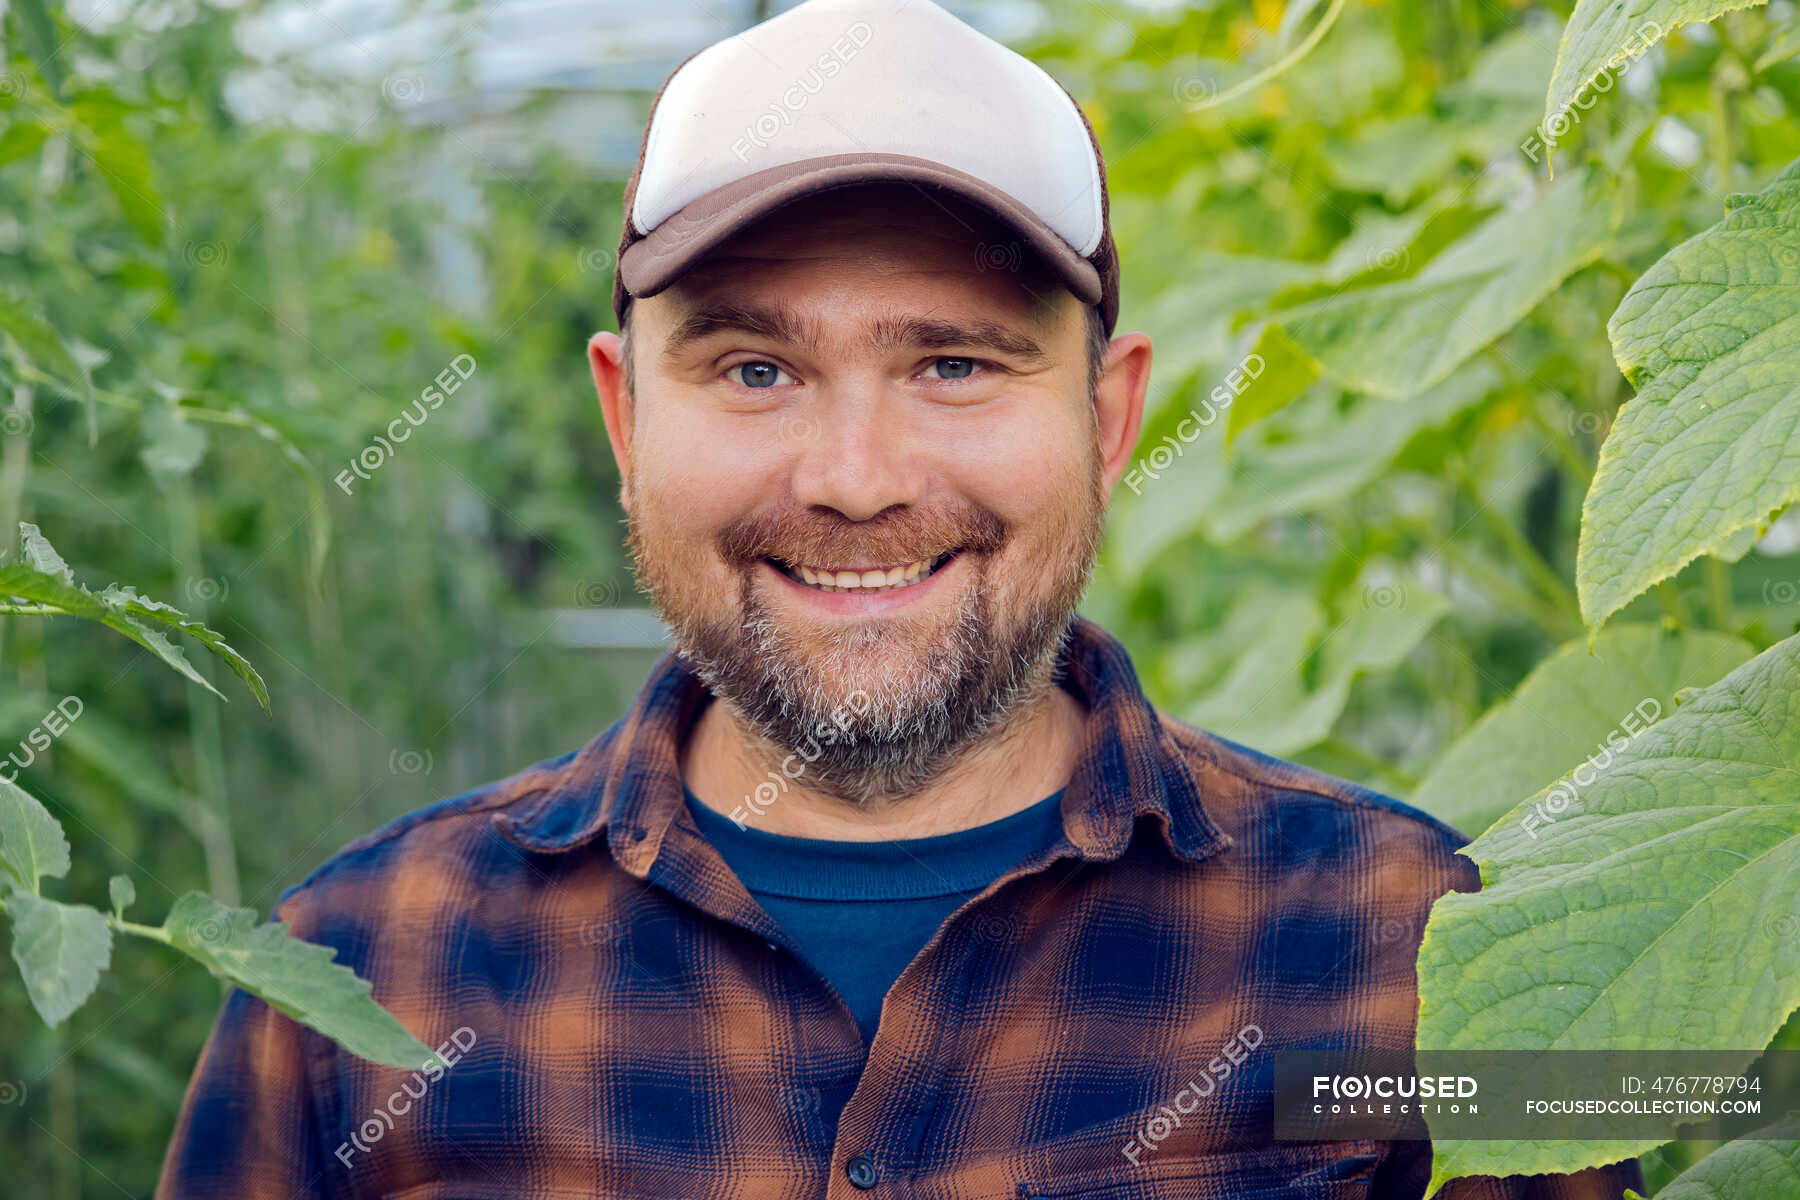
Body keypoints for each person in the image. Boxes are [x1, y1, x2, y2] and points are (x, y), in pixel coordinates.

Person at [158, 1, 1643, 1196]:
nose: (856, 479)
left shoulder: (1404, 951)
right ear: (624, 424)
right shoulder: (359, 983)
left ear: (1108, 422)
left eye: (955, 364)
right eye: (755, 369)